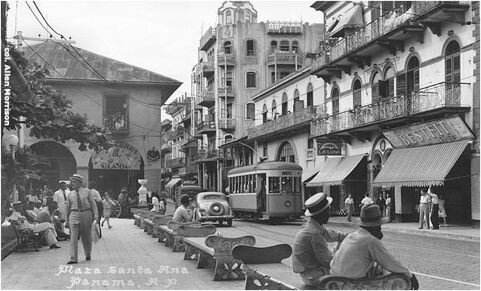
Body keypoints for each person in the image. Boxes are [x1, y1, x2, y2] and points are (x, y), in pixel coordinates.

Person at [330, 204, 418, 289]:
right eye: (379, 226)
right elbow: (390, 262)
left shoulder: (352, 236)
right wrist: (409, 275)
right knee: (397, 279)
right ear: (375, 226)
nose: (380, 229)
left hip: (334, 281)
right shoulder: (370, 240)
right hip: (350, 284)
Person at [292, 193, 348, 287]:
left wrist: (344, 236)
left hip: (310, 274)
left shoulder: (311, 226)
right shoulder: (314, 233)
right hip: (315, 276)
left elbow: (329, 234)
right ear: (321, 214)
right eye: (327, 211)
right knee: (351, 280)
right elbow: (327, 261)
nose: (329, 214)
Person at [66, 174, 99, 264]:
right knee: (73, 237)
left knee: (86, 236)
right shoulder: (70, 194)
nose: (72, 184)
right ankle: (73, 258)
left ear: (79, 183)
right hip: (74, 214)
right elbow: (68, 207)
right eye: (72, 182)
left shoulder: (87, 192)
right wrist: (66, 220)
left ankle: (88, 254)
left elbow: (93, 204)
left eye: (74, 182)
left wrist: (96, 215)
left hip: (86, 213)